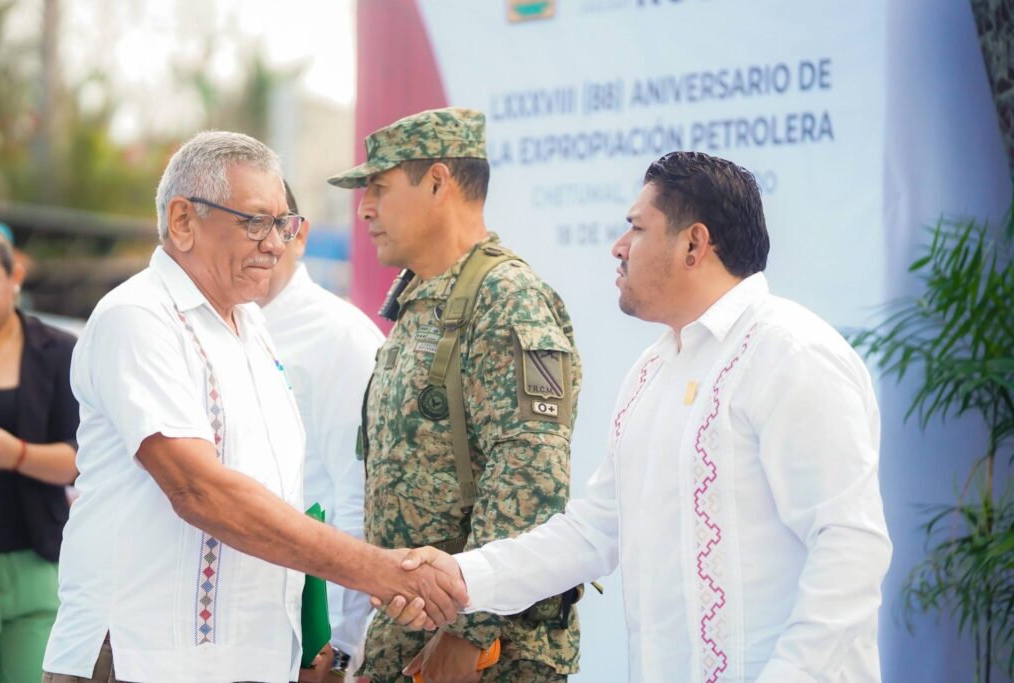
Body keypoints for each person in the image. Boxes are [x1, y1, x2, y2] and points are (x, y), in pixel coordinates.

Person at [391, 151, 894, 682]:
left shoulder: (791, 353)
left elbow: (849, 545)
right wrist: (460, 576)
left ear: (693, 244)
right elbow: (593, 531)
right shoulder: (653, 369)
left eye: (636, 227)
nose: (619, 246)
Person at [41, 131, 466, 683]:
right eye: (256, 222)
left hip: (252, 660)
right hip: (143, 657)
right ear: (183, 220)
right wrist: (379, 572)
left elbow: (289, 497)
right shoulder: (139, 316)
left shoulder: (250, 325)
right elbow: (201, 491)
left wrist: (310, 635)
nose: (274, 243)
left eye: (283, 224)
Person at [326, 107, 582, 682]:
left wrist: (469, 632)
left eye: (380, 188)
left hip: (490, 654)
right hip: (411, 639)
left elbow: (531, 478)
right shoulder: (421, 299)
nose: (364, 208)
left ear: (439, 182)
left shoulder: (507, 298)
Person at [260, 182, 383, 681]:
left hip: (309, 638)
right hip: (237, 626)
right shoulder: (225, 328)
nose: (261, 242)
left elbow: (358, 498)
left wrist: (340, 643)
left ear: (300, 234)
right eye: (245, 225)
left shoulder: (339, 338)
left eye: (274, 225)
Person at [0, 225, 78, 683]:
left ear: (15, 278)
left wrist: (17, 454)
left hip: (36, 561)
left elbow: (84, 459)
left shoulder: (59, 351)